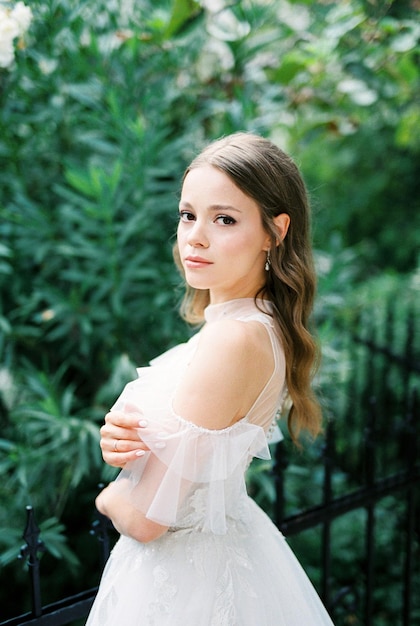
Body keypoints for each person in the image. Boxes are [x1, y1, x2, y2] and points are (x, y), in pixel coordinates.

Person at [86, 132, 335, 625]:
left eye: (224, 219)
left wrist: (109, 493)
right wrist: (121, 443)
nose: (196, 235)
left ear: (274, 231)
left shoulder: (235, 339)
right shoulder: (247, 324)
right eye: (188, 214)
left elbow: (146, 518)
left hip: (185, 585)